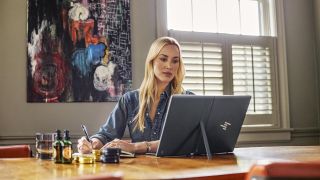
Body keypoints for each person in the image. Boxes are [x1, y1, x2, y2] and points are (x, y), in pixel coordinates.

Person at [77, 36, 193, 154]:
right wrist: (92, 143)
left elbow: (185, 141)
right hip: (139, 171)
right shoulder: (130, 100)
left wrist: (136, 147)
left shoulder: (188, 101)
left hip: (177, 170)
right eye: (163, 59)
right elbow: (106, 135)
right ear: (151, 61)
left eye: (175, 61)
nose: (169, 66)